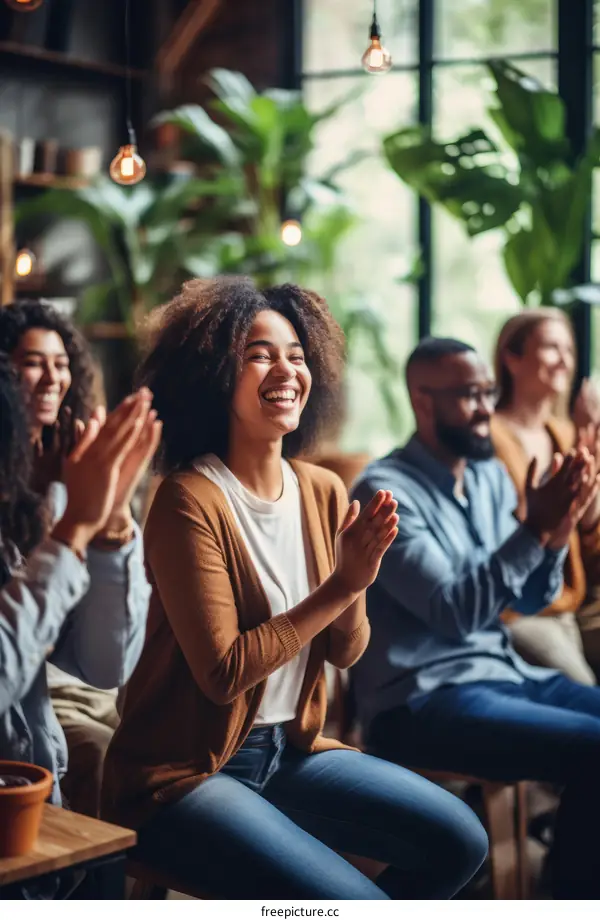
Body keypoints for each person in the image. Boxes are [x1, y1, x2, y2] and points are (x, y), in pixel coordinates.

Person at [102, 278, 488, 901]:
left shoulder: (323, 489)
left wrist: (356, 584)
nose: (286, 371)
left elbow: (345, 651)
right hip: (184, 774)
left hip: (292, 750)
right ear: (213, 375)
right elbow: (224, 673)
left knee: (460, 840)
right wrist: (341, 586)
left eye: (297, 355)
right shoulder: (187, 500)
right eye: (259, 355)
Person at [351, 336, 600, 899]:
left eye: (488, 392)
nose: (487, 408)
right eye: (469, 395)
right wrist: (533, 529)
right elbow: (455, 612)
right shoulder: (385, 491)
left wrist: (556, 533)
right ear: (422, 400)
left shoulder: (487, 476)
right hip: (422, 701)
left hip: (505, 674)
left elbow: (527, 599)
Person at [0, 299, 142, 817]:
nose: (51, 379)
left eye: (60, 365)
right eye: (33, 363)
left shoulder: (71, 477)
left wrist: (114, 522)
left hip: (63, 693)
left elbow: (106, 662)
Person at [492, 309, 600, 683]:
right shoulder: (486, 436)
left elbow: (589, 529)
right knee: (584, 691)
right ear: (512, 358)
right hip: (518, 609)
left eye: (569, 350)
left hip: (574, 597)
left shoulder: (567, 433)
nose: (565, 361)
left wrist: (591, 458)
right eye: (552, 348)